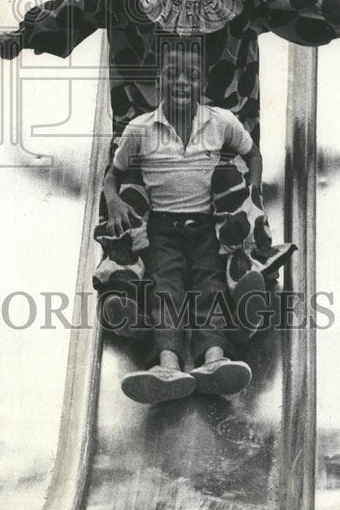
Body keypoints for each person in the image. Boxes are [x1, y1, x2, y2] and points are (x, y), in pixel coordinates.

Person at [0, 0, 340, 325]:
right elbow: (79, 7)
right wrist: (25, 33)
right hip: (149, 139)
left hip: (220, 141)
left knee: (234, 197)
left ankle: (248, 280)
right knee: (131, 198)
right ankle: (123, 286)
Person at [106, 41, 259, 403]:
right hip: (162, 228)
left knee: (211, 284)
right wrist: (112, 200)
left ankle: (214, 360)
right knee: (166, 288)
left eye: (190, 76)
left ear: (201, 83)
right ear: (159, 80)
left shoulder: (221, 122)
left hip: (207, 226)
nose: (181, 82)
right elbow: (113, 174)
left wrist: (253, 192)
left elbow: (252, 153)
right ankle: (167, 365)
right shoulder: (140, 130)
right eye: (172, 74)